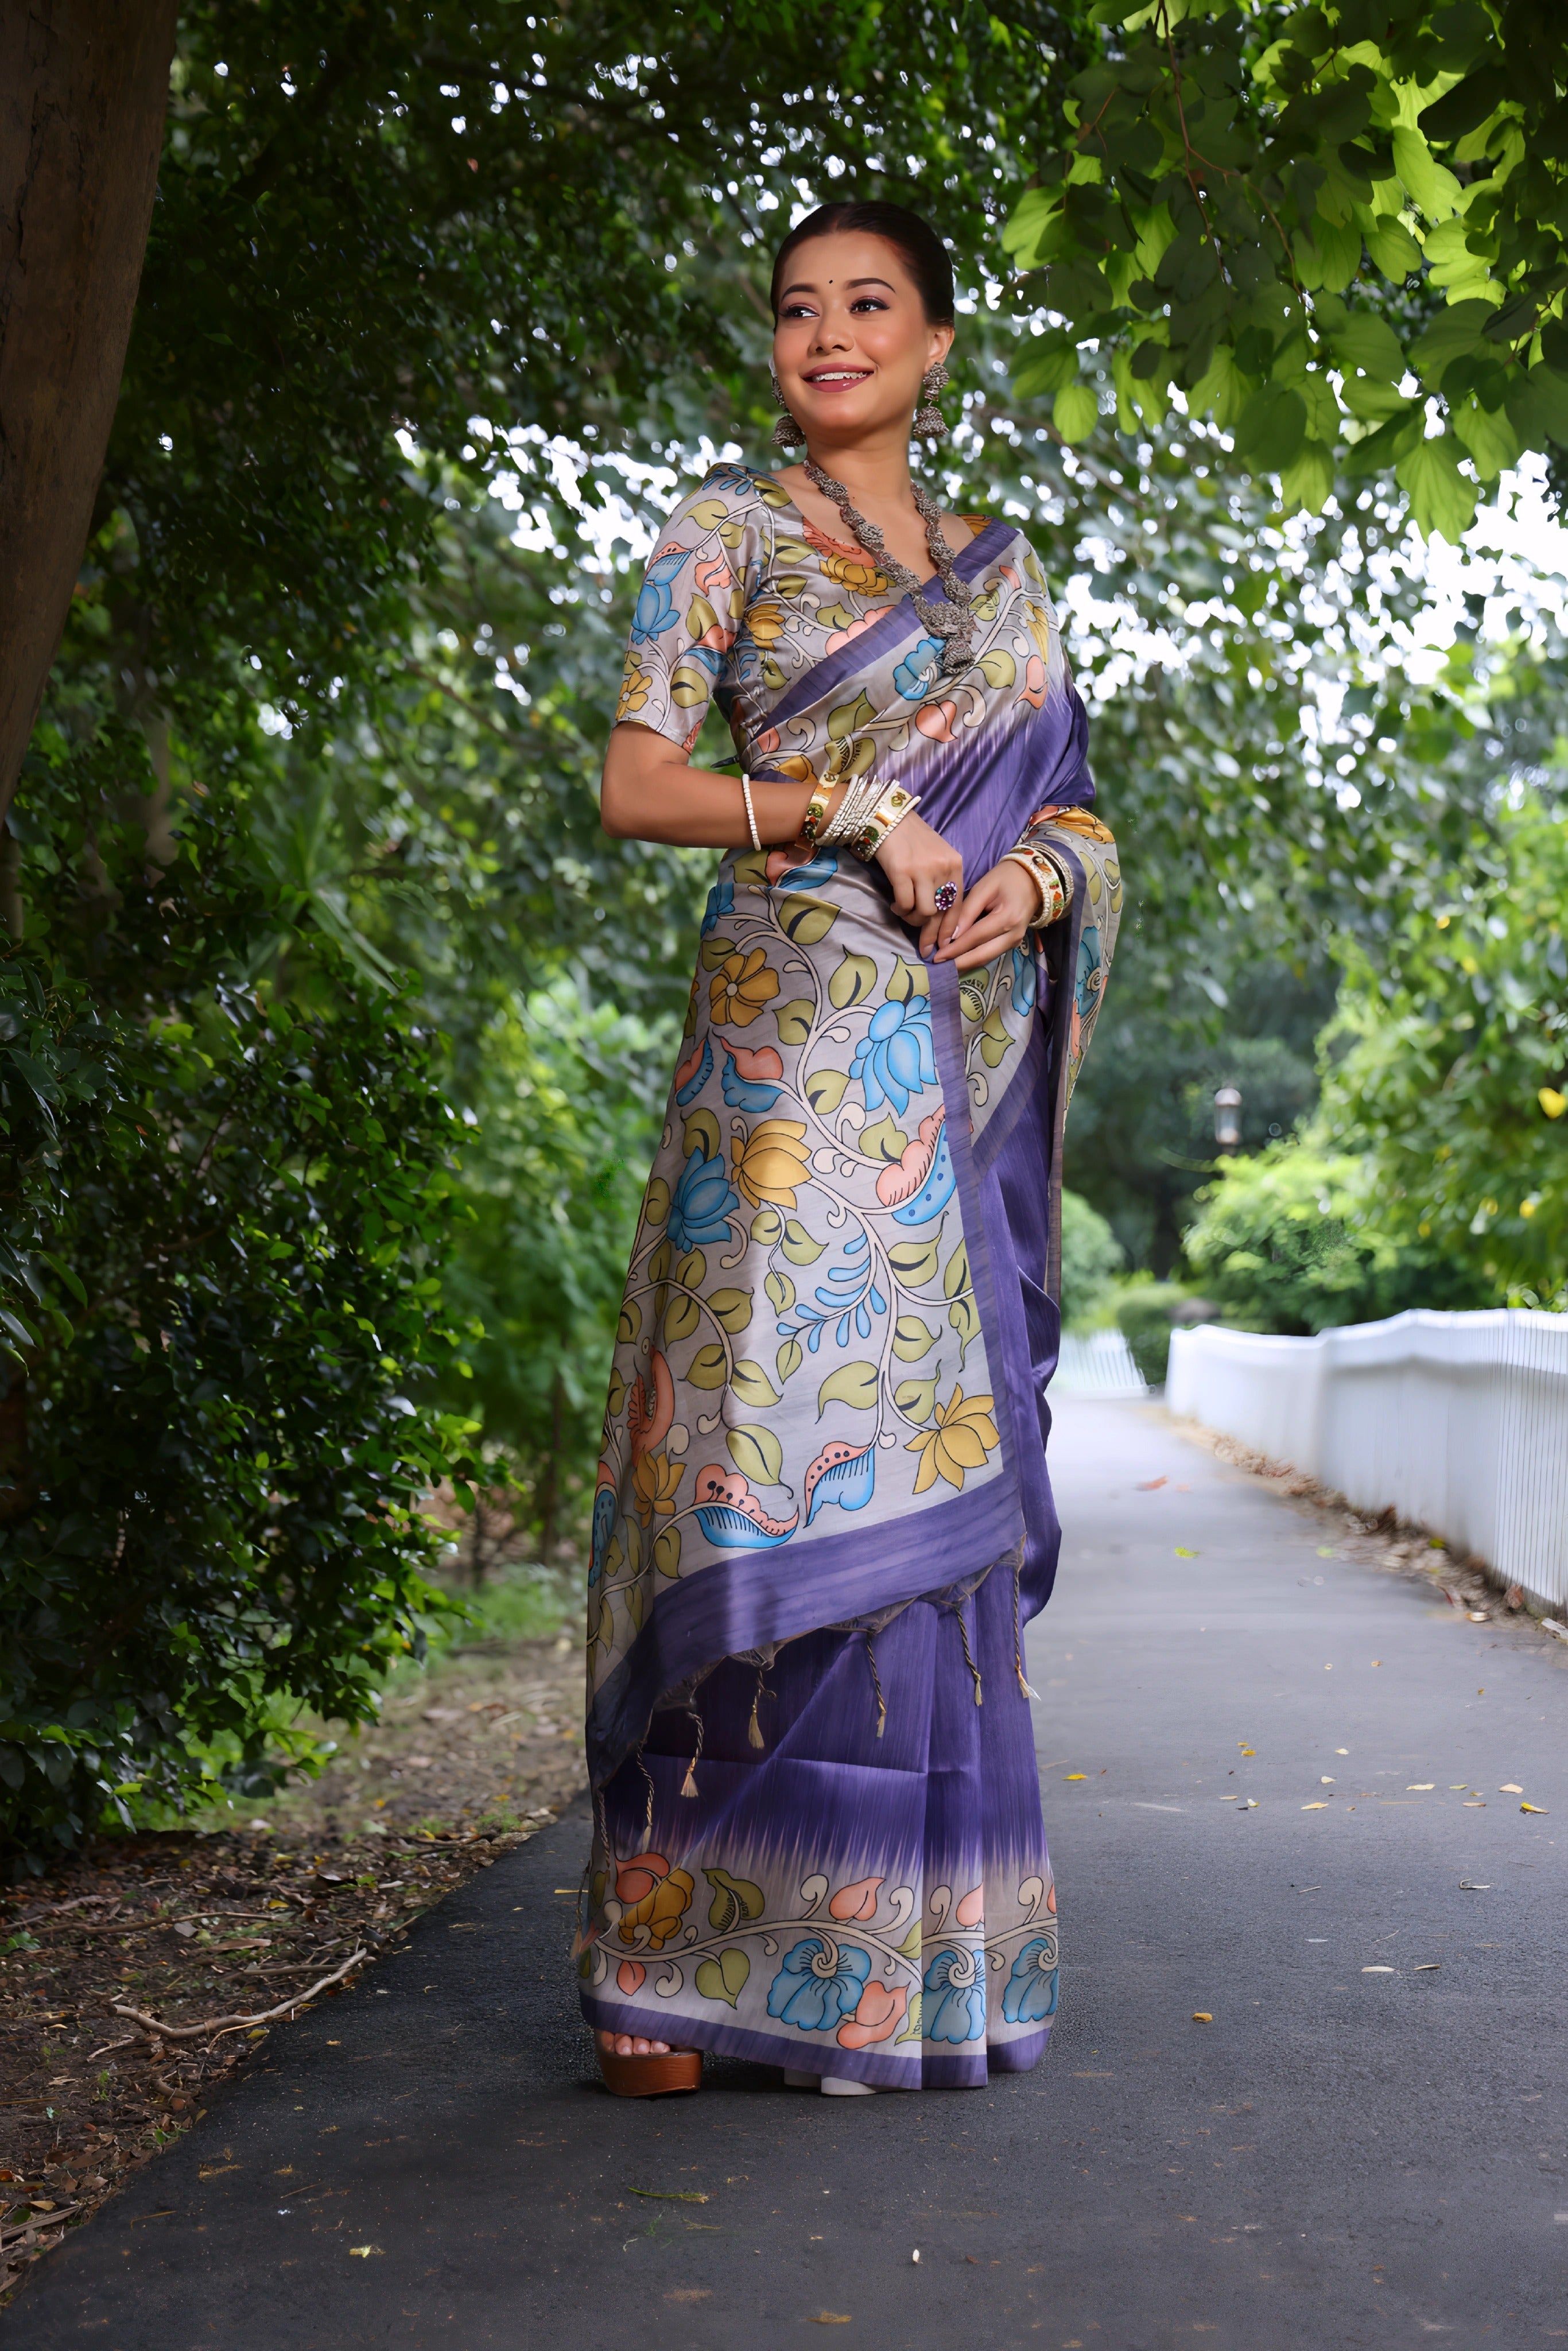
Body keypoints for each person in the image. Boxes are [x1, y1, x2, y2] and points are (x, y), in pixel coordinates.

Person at [577, 199, 1120, 2097]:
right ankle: (673, 1968)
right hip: (783, 1072)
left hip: (946, 1064)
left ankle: (875, 1974)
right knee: (746, 1471)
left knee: (915, 1511)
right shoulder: (716, 535)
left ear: (937, 342)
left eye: (867, 304)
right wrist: (845, 808)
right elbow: (636, 782)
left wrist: (1041, 874)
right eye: (797, 309)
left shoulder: (1004, 574)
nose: (826, 334)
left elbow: (1069, 808)